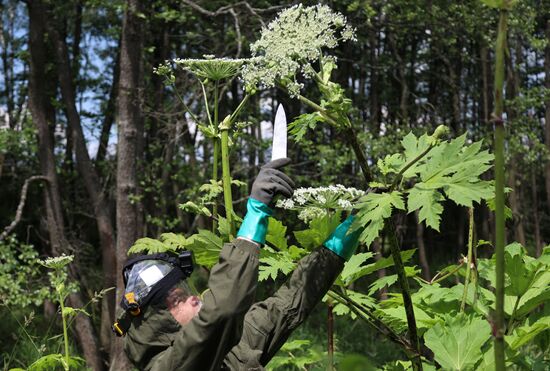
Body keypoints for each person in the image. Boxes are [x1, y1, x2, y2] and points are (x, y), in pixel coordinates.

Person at [117, 158, 361, 370]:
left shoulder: (232, 345)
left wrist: (354, 225)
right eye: (176, 300)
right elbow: (221, 311)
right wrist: (256, 214)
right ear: (157, 322)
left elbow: (290, 302)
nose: (192, 298)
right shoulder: (169, 367)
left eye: (185, 290)